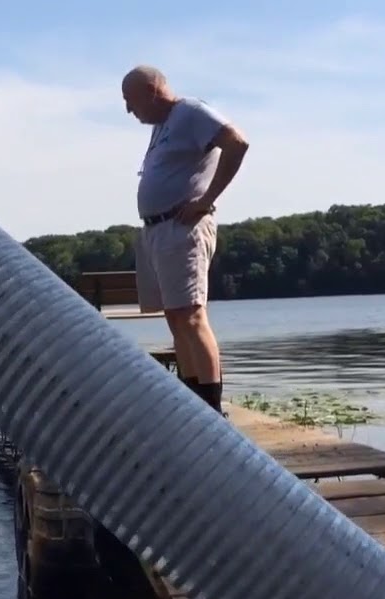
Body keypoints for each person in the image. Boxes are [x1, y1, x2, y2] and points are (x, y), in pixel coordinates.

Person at [121, 65, 249, 414]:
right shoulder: (164, 125)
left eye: (130, 101)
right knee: (176, 318)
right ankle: (195, 403)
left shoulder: (190, 112)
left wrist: (206, 201)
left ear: (151, 90)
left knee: (192, 316)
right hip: (158, 231)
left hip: (182, 229)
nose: (129, 111)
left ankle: (211, 405)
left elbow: (237, 143)